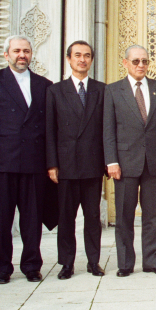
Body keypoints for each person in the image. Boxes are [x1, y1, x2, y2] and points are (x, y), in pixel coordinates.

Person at [0, 35, 52, 284]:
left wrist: (50, 162)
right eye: (17, 51)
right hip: (1, 161)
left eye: (26, 51)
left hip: (33, 163)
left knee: (32, 219)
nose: (22, 55)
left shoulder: (44, 84)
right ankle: (2, 268)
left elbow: (49, 127)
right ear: (6, 54)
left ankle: (31, 265)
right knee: (1, 218)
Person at [103, 45, 156, 277]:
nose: (140, 65)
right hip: (124, 163)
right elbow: (108, 130)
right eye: (135, 61)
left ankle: (152, 262)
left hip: (153, 163)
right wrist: (111, 161)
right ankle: (125, 263)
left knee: (152, 216)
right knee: (124, 216)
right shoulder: (113, 91)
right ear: (125, 63)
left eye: (144, 61)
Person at [45, 41, 105, 279]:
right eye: (78, 55)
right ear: (68, 59)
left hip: (92, 164)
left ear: (91, 60)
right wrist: (52, 164)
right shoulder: (55, 91)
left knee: (92, 218)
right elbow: (50, 131)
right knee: (66, 218)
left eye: (87, 56)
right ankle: (67, 263)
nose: (82, 59)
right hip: (66, 165)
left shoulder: (102, 90)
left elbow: (107, 130)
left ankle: (93, 262)